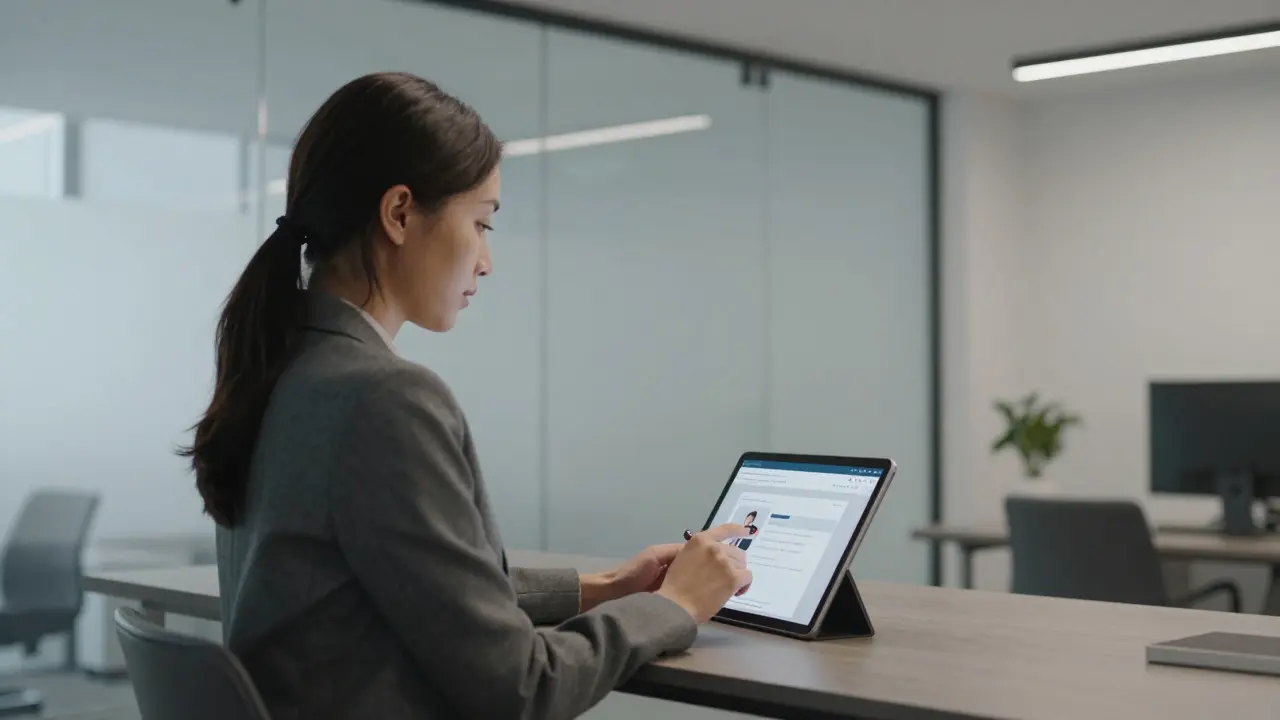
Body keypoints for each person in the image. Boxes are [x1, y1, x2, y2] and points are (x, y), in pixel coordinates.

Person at [179, 72, 753, 720]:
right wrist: (673, 608)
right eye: (481, 223)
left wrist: (610, 588)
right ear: (399, 213)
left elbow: (425, 585)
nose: (486, 260)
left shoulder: (283, 366)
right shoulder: (384, 398)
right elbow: (522, 688)